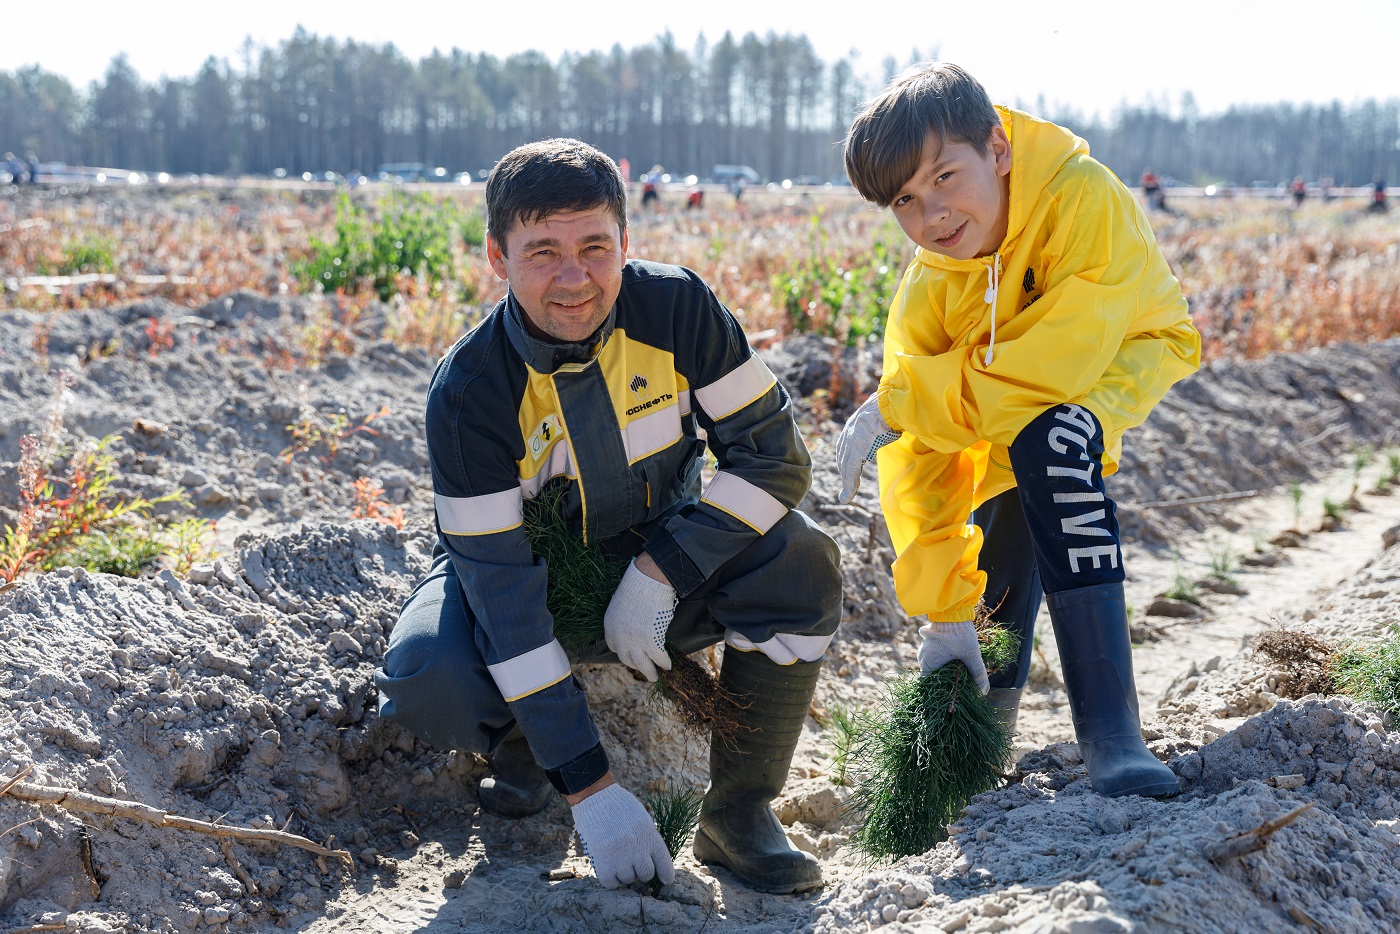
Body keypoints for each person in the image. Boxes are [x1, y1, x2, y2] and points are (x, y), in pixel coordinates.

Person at [375, 138, 842, 895]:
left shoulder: (679, 310)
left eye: (596, 247)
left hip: (661, 558)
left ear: (625, 241)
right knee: (430, 673)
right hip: (524, 587)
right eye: (543, 252)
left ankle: (739, 816)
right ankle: (525, 745)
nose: (574, 277)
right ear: (498, 256)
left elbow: (776, 458)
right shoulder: (470, 393)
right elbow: (499, 592)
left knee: (803, 564)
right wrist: (593, 789)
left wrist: (664, 572)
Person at [836, 63, 1201, 800]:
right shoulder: (930, 286)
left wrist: (905, 400)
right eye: (905, 199)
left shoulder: (1082, 198)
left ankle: (1113, 735)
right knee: (999, 511)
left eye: (944, 176)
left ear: (997, 148)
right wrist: (943, 613)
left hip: (1119, 348)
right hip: (1006, 380)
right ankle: (985, 734)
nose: (931, 212)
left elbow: (1056, 366)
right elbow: (922, 456)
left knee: (1052, 444)